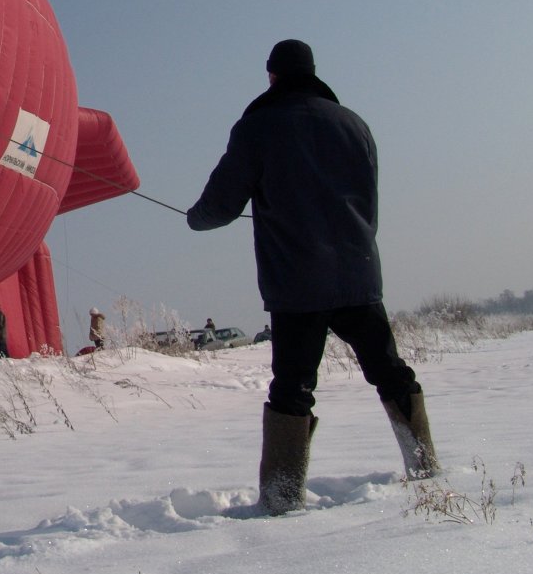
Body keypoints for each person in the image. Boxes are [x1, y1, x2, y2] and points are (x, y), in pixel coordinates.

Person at [187, 40, 438, 514]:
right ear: (313, 73)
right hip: (358, 275)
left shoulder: (257, 127)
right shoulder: (355, 125)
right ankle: (424, 465)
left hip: (298, 282)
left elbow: (220, 206)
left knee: (292, 387)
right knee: (389, 371)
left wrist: (194, 217)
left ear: (272, 77)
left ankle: (282, 498)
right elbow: (368, 202)